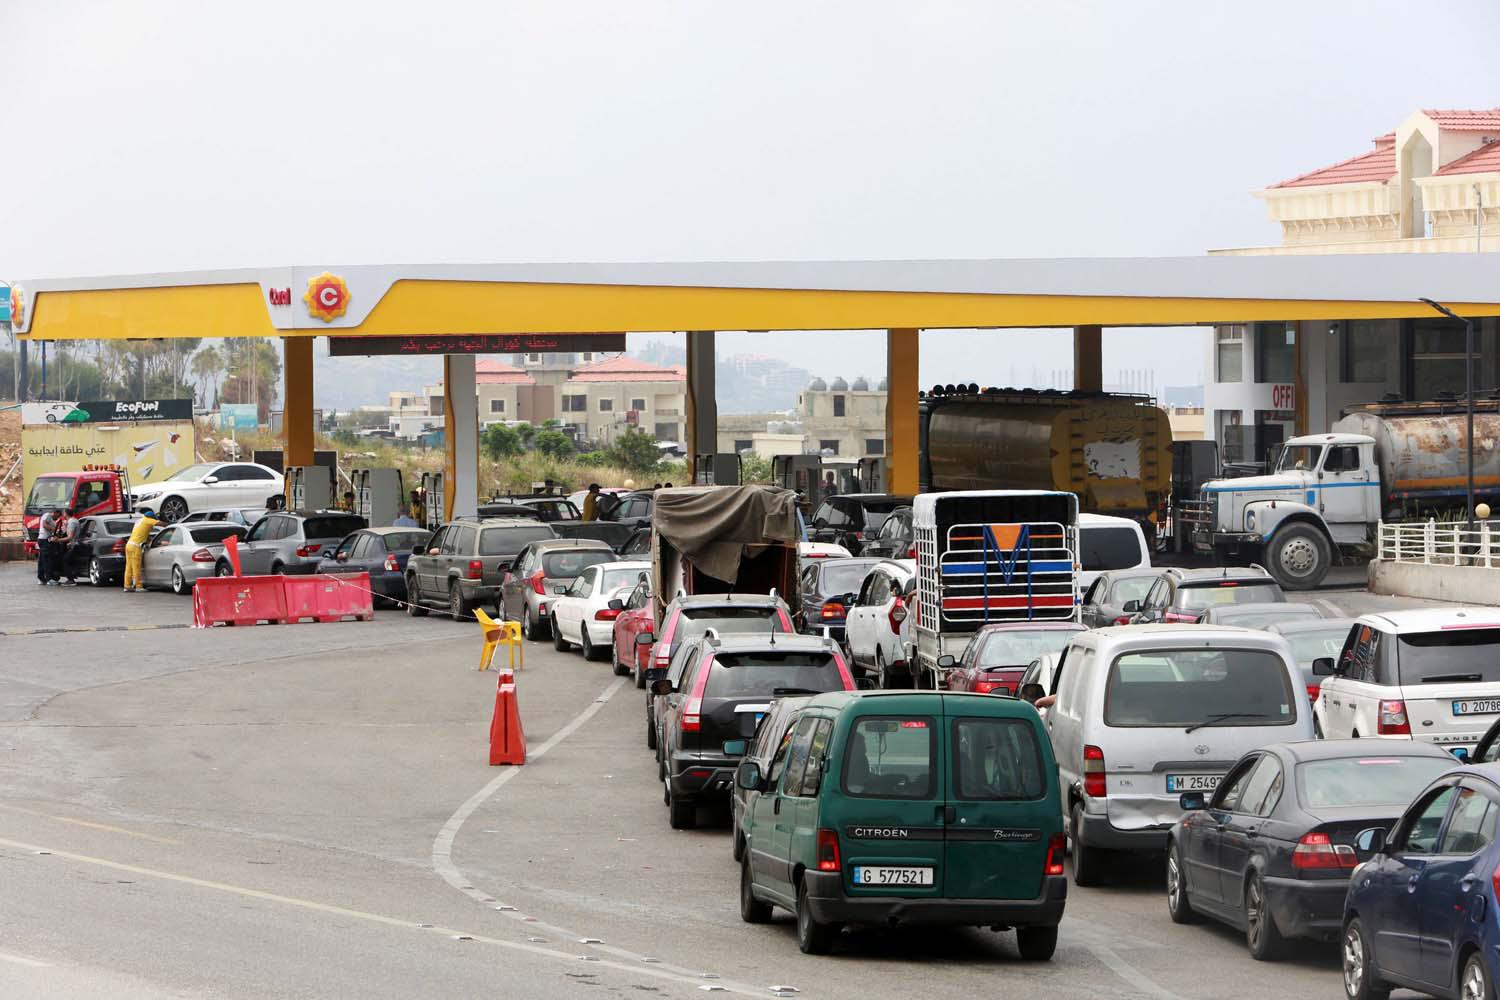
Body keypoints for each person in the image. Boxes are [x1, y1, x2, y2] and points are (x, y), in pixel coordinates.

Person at [123, 507, 159, 593]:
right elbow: (161, 524)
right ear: (151, 518)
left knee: (129, 567)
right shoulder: (148, 520)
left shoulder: (139, 521)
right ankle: (138, 586)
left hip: (129, 545)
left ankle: (127, 586)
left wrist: (149, 540)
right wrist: (171, 524)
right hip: (136, 546)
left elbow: (143, 534)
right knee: (136, 566)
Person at [59, 506, 83, 586]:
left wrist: (58, 540)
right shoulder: (73, 521)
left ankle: (70, 579)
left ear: (66, 513)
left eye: (64, 512)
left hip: (74, 545)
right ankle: (73, 575)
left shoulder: (72, 522)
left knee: (65, 560)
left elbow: (70, 536)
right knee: (71, 560)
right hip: (73, 544)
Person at [36, 509, 60, 585]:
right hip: (44, 540)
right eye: (58, 515)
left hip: (45, 540)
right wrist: (55, 530)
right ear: (55, 512)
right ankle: (49, 579)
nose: (57, 517)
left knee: (42, 560)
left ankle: (41, 578)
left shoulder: (52, 521)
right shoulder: (47, 515)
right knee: (47, 560)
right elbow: (44, 525)